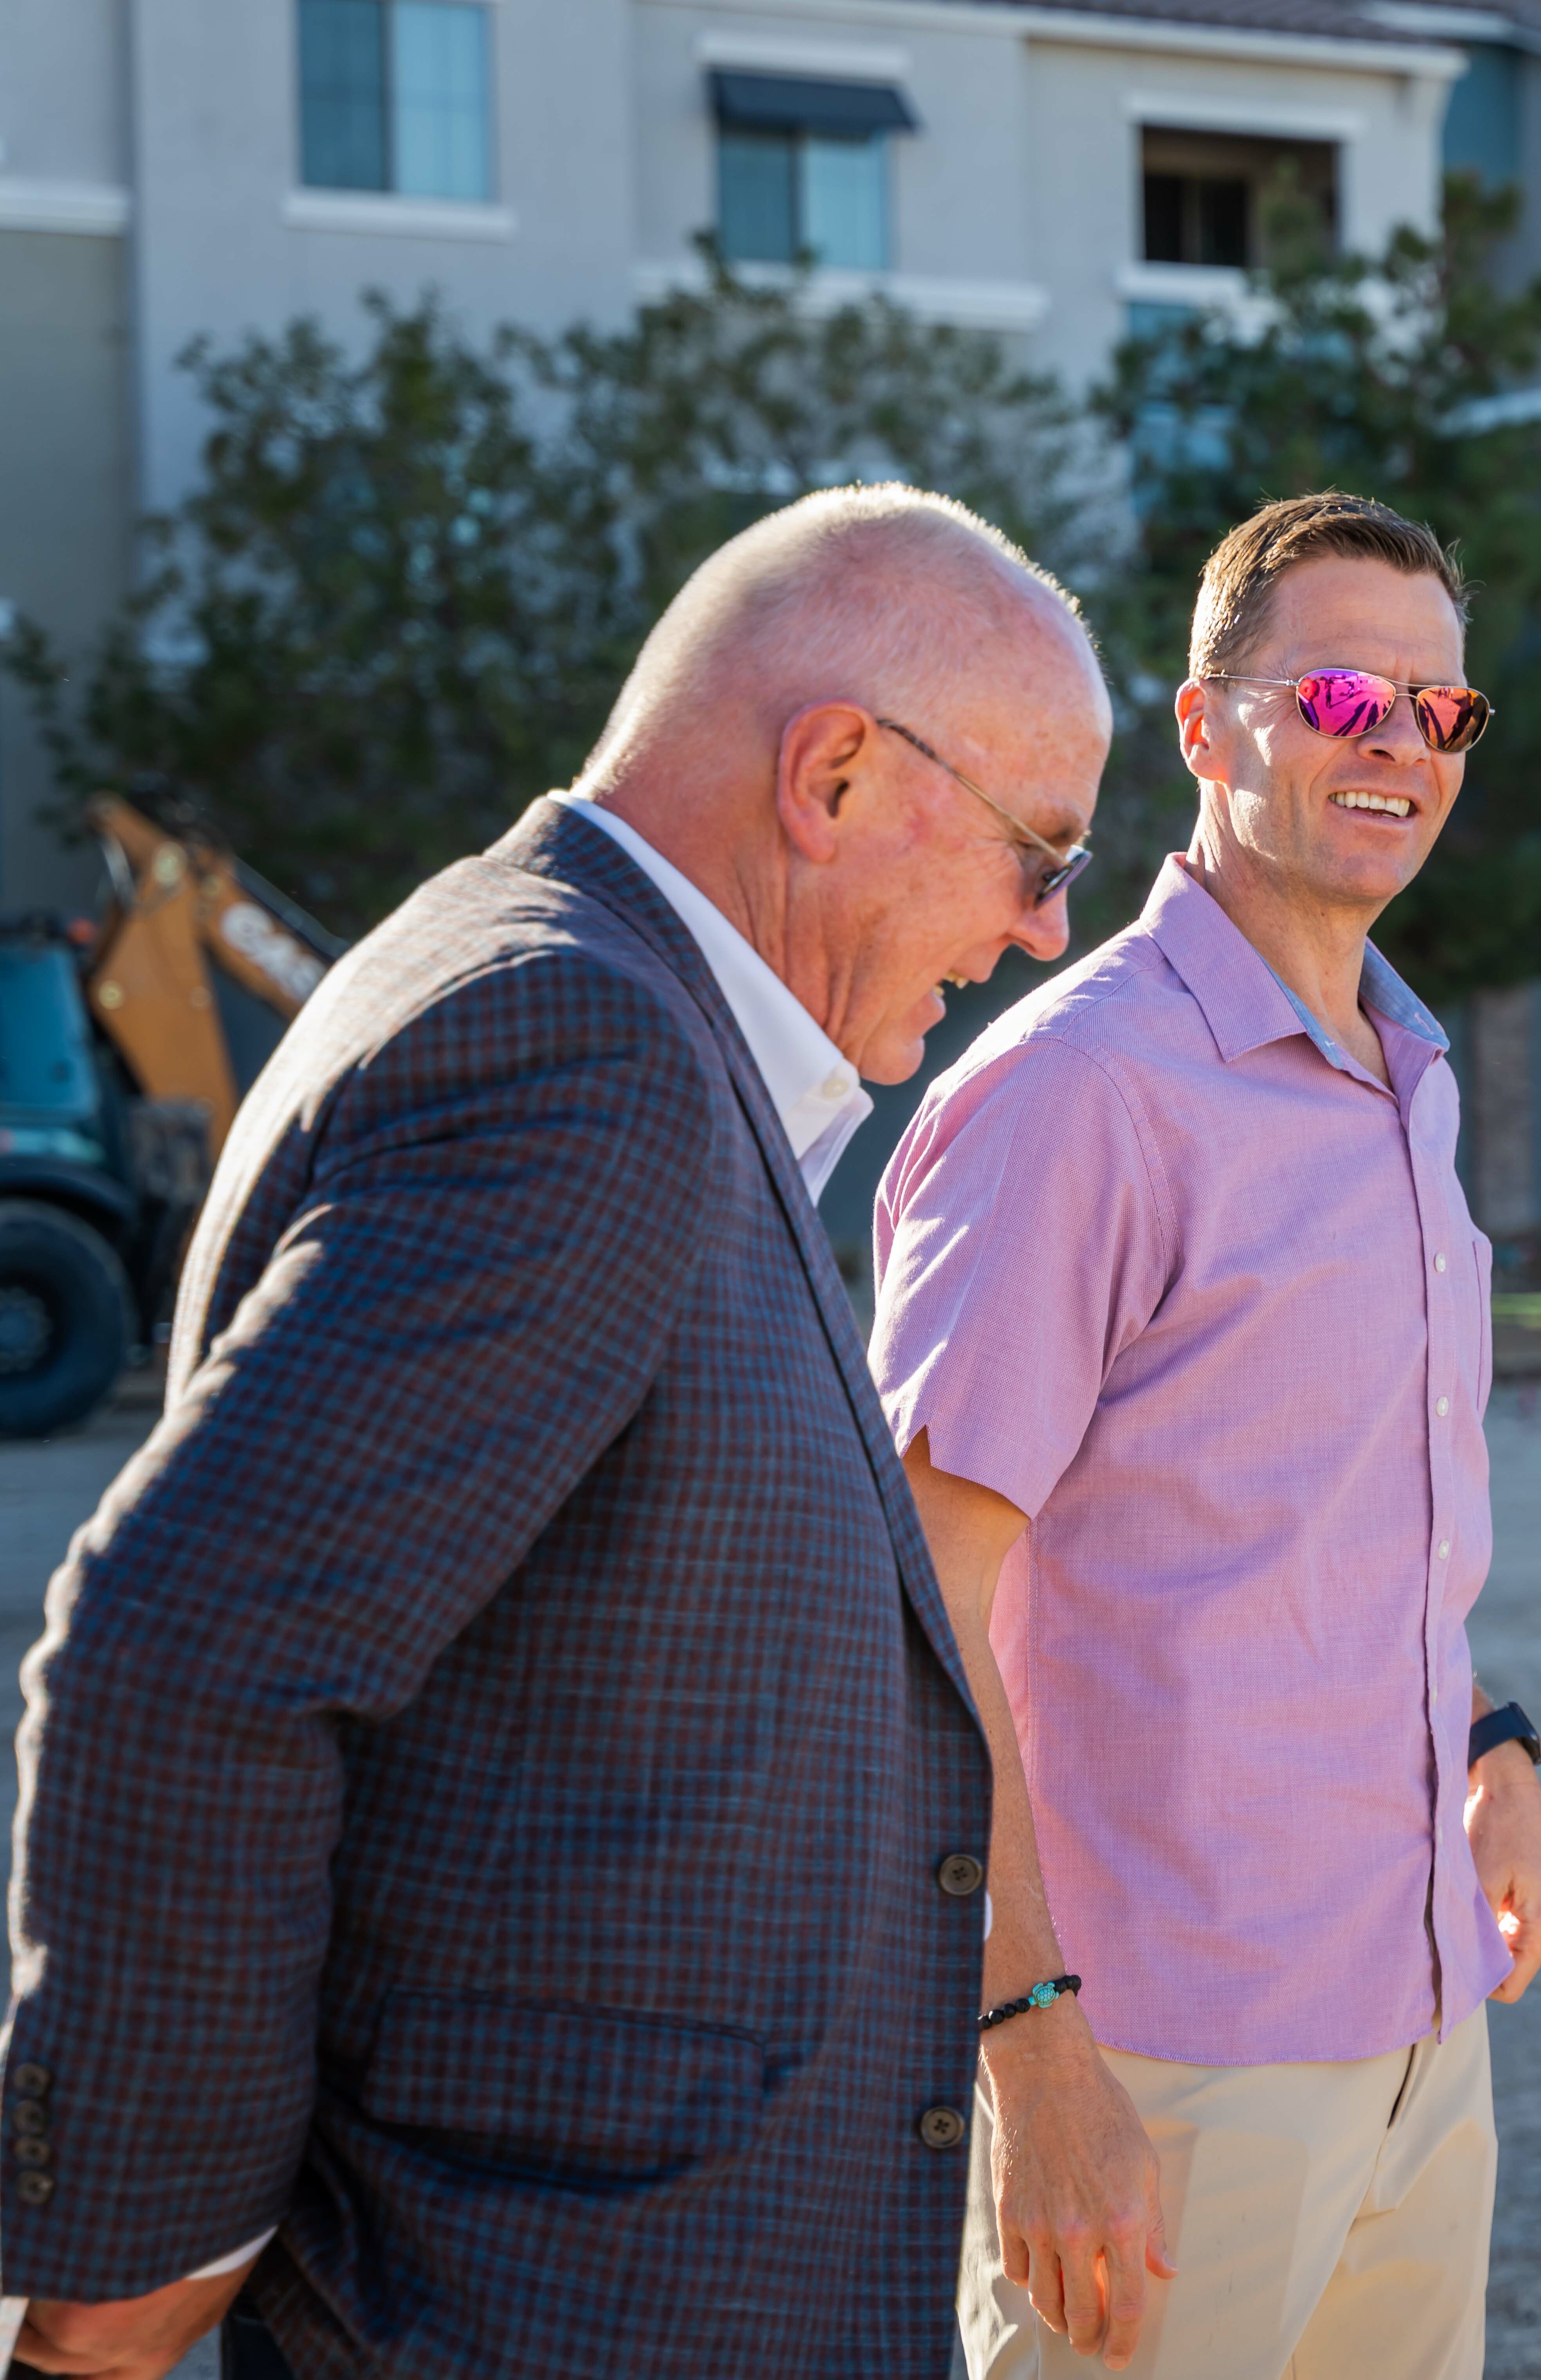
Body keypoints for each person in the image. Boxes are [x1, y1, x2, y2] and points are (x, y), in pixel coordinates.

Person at [0, 484, 1105, 2379]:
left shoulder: (583, 1003)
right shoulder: (584, 1051)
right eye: (1038, 848)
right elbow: (192, 1653)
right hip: (535, 2315)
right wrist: (134, 2277)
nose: (1039, 928)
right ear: (834, 772)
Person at [869, 489, 1541, 2380]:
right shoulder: (1074, 1095)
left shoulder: (1402, 1075)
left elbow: (1336, 1517)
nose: (1400, 745)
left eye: (1443, 710)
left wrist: (1487, 1737)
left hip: (1421, 2019)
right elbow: (917, 1610)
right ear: (1201, 726)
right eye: (1342, 694)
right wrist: (1031, 2041)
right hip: (1161, 2055)